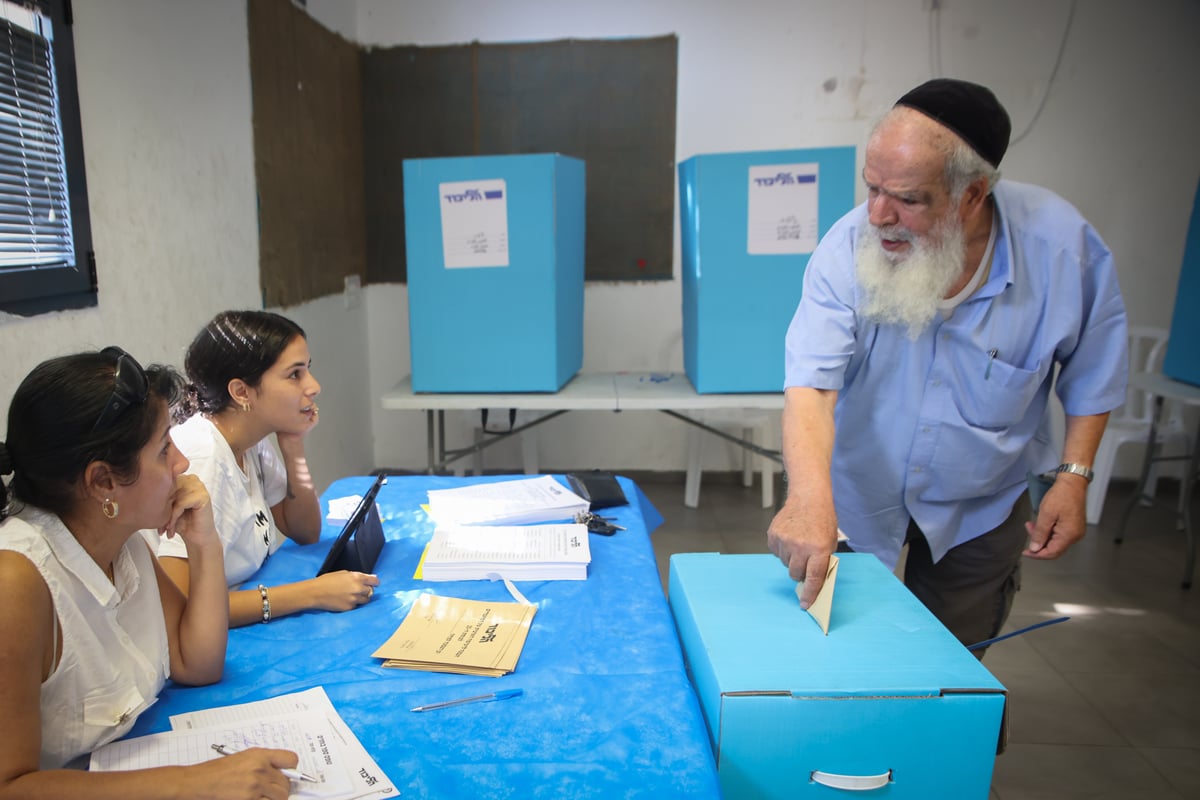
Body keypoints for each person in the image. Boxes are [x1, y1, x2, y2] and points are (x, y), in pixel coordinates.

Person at [767, 78, 1128, 652]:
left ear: (972, 195)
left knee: (946, 673)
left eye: (908, 199)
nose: (879, 215)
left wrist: (1074, 477)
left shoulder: (1061, 250)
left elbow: (1096, 370)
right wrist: (808, 495)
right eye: (872, 188)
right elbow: (812, 385)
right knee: (841, 657)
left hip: (978, 506)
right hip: (860, 494)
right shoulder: (847, 248)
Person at [0, 347, 299, 796]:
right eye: (164, 449)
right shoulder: (18, 583)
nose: (181, 463)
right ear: (102, 482)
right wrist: (191, 783)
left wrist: (204, 543)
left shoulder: (123, 538)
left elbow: (196, 663)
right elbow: (11, 786)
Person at [160, 310, 379, 627]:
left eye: (308, 370)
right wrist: (311, 594)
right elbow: (184, 609)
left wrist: (293, 447)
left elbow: (305, 531)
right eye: (295, 375)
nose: (314, 386)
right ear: (241, 392)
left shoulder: (250, 440)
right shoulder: (204, 456)